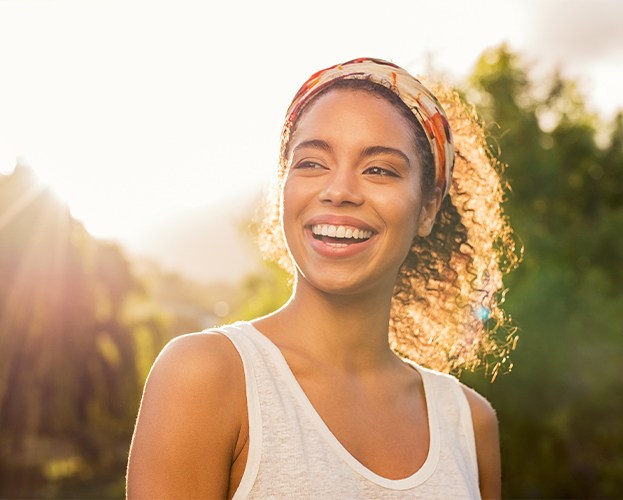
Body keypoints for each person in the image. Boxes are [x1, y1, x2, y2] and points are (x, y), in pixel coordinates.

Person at [126, 57, 518, 499]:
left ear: (427, 208)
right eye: (312, 163)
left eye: (379, 169)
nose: (339, 191)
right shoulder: (206, 376)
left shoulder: (468, 423)